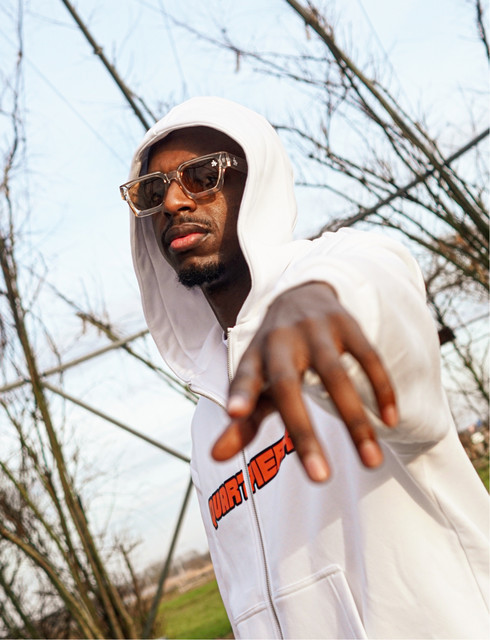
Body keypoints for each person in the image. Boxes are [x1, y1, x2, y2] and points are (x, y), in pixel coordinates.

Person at [121, 96, 489, 639]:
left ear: (257, 182)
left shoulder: (347, 268)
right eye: (153, 192)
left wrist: (322, 303)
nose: (174, 201)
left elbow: (378, 293)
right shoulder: (207, 424)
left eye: (201, 176)